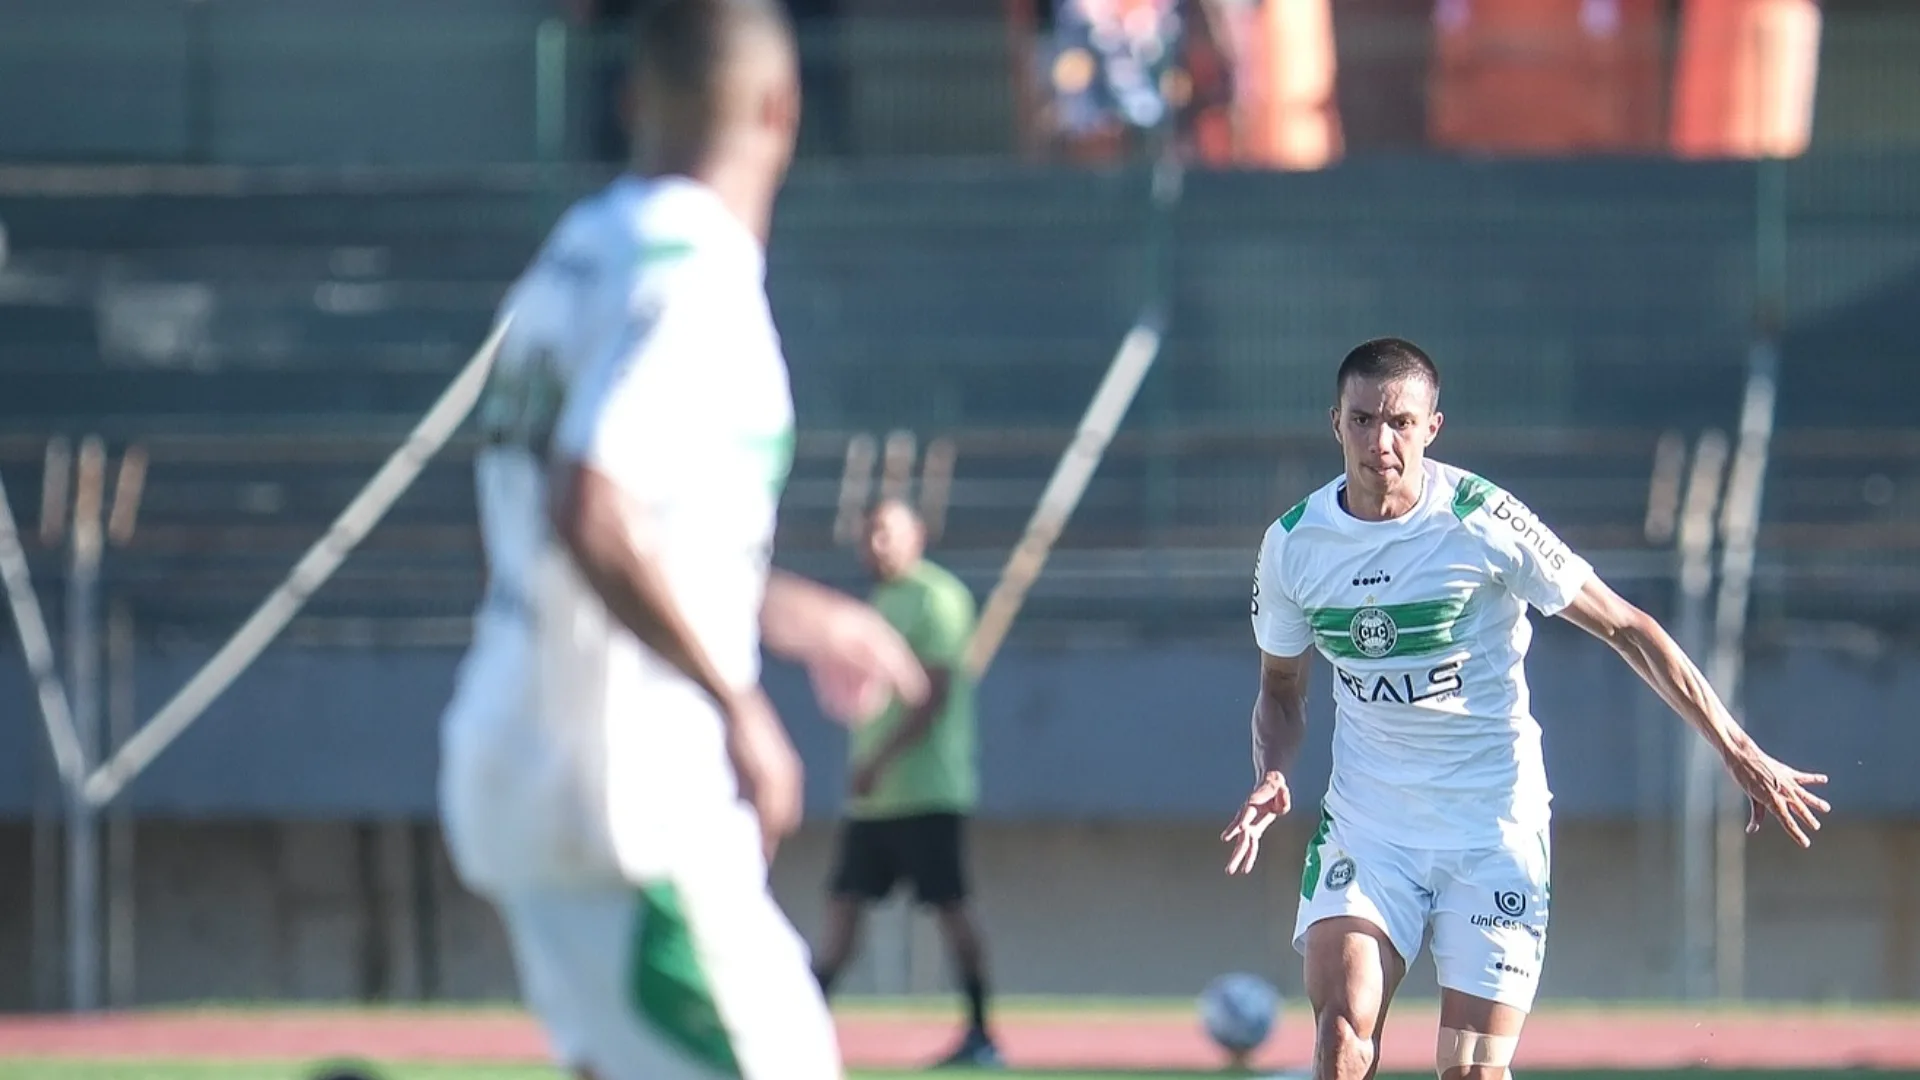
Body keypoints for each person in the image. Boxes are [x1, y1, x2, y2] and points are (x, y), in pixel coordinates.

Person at [435, 1, 932, 1077]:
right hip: (629, 798)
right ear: (781, 108)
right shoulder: (696, 276)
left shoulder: (574, 255)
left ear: (631, 103)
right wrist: (739, 702)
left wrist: (796, 618)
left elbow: (566, 534)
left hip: (529, 757)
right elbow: (588, 505)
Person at [1221, 338, 1830, 1080]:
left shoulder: (1481, 519)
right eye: (1362, 420)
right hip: (1370, 827)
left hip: (1493, 827)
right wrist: (1273, 771)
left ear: (1432, 428)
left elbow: (1628, 628)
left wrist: (1737, 747)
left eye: (1401, 423)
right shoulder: (1293, 545)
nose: (1381, 442)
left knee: (1472, 1070)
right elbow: (1282, 689)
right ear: (1335, 423)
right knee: (1341, 1044)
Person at [810, 498, 1003, 1069]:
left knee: (951, 906)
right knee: (842, 910)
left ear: (916, 535)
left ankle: (980, 1034)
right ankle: (797, 1030)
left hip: (926, 790)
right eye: (869, 534)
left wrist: (881, 761)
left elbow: (934, 695)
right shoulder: (878, 602)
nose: (877, 544)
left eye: (887, 533)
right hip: (875, 800)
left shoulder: (937, 598)